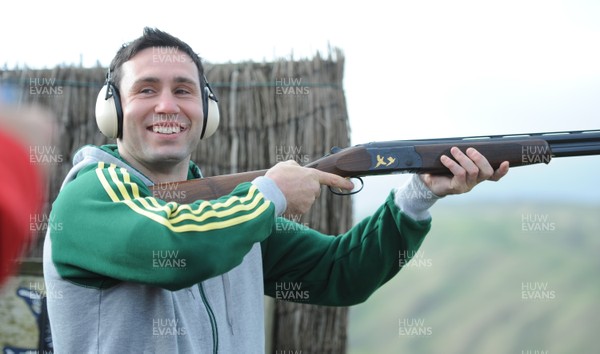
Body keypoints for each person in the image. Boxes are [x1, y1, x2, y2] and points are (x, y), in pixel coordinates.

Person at [43, 27, 509, 353]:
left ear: (207, 110)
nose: (168, 104)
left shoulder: (227, 212)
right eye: (146, 89)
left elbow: (341, 273)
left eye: (184, 90)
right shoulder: (88, 196)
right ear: (113, 112)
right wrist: (273, 193)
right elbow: (177, 244)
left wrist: (418, 196)